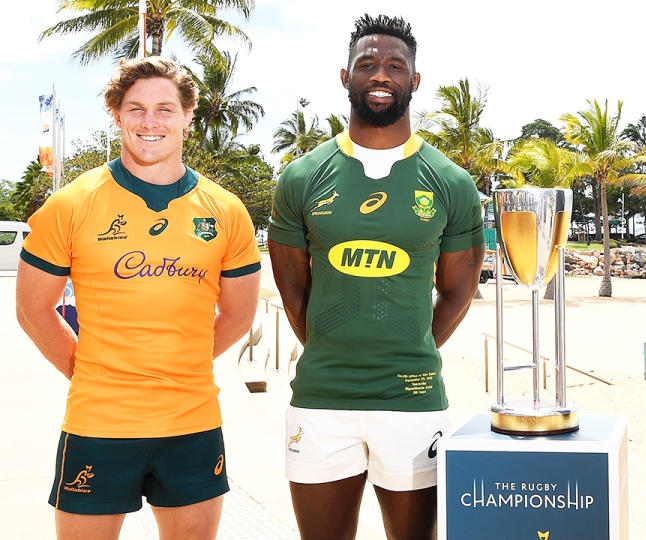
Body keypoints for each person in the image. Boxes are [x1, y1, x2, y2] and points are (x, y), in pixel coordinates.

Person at [16, 57, 262, 540]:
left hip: (191, 423)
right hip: (98, 421)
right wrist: (85, 367)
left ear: (188, 116)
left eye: (165, 109)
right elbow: (32, 309)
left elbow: (238, 313)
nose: (151, 122)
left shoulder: (226, 211)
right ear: (117, 115)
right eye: (137, 109)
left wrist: (181, 362)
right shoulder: (71, 203)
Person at [268, 13, 484, 540]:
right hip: (321, 399)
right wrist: (329, 344)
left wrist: (411, 346)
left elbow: (459, 289)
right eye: (366, 64)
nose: (380, 74)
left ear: (415, 80)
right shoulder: (301, 177)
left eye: (394, 65)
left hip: (412, 401)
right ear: (345, 77)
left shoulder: (451, 182)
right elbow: (292, 286)